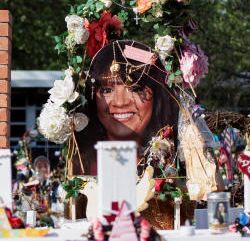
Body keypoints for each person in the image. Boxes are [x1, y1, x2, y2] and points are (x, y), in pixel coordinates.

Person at [71, 39, 180, 175]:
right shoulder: (80, 168)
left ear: (157, 95)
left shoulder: (175, 166)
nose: (121, 102)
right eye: (107, 90)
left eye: (135, 89)